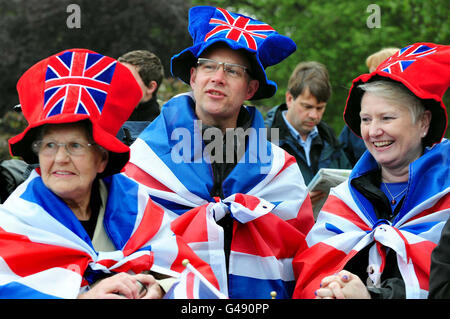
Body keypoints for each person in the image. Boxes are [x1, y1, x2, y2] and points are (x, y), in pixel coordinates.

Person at [124, 5, 315, 299]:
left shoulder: (279, 169)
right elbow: (124, 245)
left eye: (232, 71)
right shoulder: (144, 158)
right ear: (193, 76)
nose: (218, 77)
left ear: (250, 89)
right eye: (208, 66)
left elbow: (303, 256)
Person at [0, 48, 216, 299]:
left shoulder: (135, 204)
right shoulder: (14, 222)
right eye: (49, 145)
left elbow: (189, 273)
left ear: (102, 158)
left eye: (75, 146)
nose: (60, 159)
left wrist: (159, 288)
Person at [293, 42, 450, 299]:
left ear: (423, 123)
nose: (374, 131)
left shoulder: (446, 197)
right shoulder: (344, 199)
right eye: (366, 119)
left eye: (387, 118)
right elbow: (309, 275)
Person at [265, 61, 351, 205]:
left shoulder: (329, 138)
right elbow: (255, 196)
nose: (314, 115)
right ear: (289, 99)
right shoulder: (266, 137)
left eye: (320, 108)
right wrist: (295, 204)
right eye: (307, 106)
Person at [339, 47, 400, 166]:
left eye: (375, 75)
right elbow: (341, 160)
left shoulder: (413, 116)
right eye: (366, 120)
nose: (368, 81)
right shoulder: (354, 124)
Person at [116, 50, 164, 145]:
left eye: (126, 78)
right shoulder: (103, 124)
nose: (118, 84)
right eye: (116, 77)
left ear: (150, 87)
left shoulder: (164, 132)